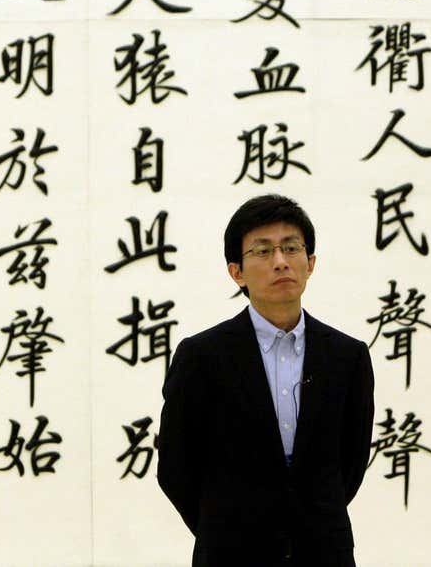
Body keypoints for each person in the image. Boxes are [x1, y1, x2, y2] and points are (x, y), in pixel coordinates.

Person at [157, 193, 375, 566]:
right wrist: (222, 526)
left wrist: (311, 518)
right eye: (262, 251)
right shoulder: (201, 357)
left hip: (324, 552)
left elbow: (350, 463)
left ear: (310, 263)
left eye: (291, 248)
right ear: (236, 271)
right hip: (231, 553)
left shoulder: (347, 356)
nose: (280, 262)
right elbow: (176, 468)